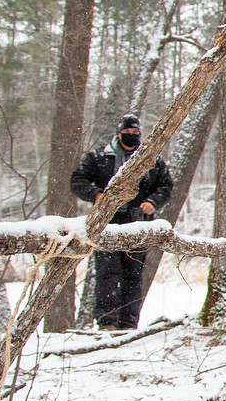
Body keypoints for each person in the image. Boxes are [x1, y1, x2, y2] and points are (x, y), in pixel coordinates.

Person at [70, 114, 173, 330]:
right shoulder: (99, 157)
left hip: (139, 223)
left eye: (135, 134)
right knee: (107, 273)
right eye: (127, 133)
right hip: (107, 223)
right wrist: (96, 194)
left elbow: (166, 185)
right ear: (119, 133)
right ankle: (107, 322)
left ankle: (128, 323)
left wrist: (153, 202)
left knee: (133, 275)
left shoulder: (150, 160)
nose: (131, 137)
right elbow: (77, 180)